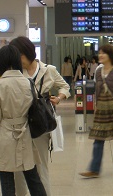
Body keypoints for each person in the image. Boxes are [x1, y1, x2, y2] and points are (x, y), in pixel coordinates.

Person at [10, 36, 70, 196]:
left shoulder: (48, 70)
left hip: (40, 123)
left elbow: (65, 86)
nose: (19, 60)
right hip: (20, 124)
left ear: (29, 53)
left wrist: (58, 98)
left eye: (20, 56)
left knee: (41, 165)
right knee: (19, 166)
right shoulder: (15, 72)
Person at [0, 45, 46, 196]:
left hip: (5, 136)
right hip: (25, 132)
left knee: (7, 180)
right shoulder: (28, 83)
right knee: (33, 177)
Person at [80, 44, 113, 178]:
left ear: (110, 55)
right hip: (102, 111)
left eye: (103, 53)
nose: (100, 55)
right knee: (98, 139)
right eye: (99, 53)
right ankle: (94, 169)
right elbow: (97, 90)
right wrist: (96, 105)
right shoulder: (99, 71)